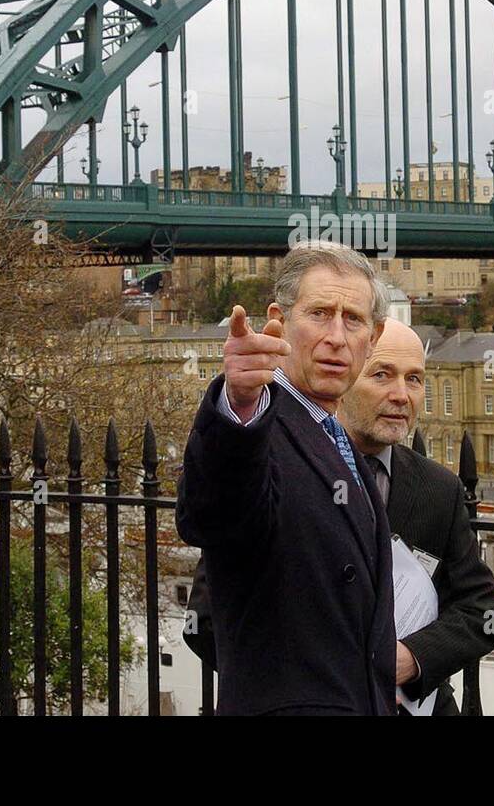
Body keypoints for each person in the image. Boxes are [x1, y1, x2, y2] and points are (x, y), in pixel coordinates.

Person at [184, 318, 494, 715]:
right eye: (382, 375)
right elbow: (204, 617)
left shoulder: (440, 488)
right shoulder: (274, 470)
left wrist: (411, 659)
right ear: (346, 374)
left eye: (415, 379)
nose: (401, 395)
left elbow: (479, 613)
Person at [175, 240, 395, 715]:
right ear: (280, 319)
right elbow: (213, 517)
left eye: (352, 319)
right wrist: (239, 405)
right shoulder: (261, 424)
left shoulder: (338, 439)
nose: (336, 336)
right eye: (319, 314)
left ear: (373, 338)